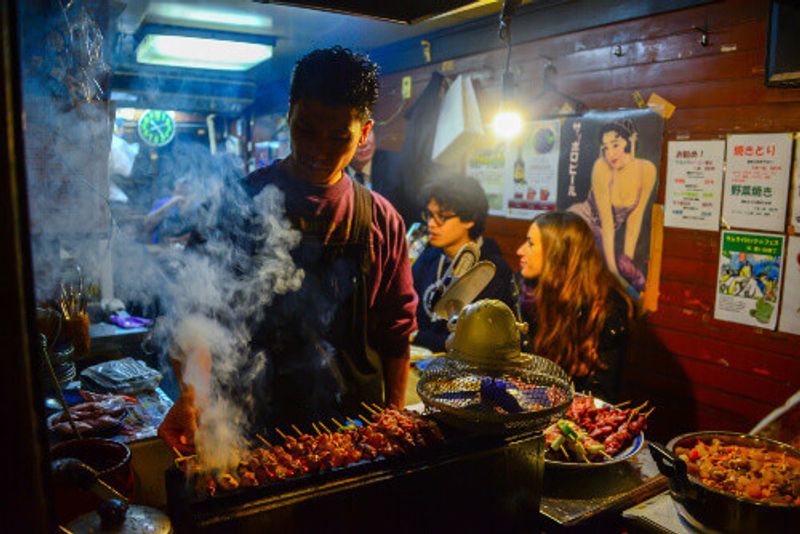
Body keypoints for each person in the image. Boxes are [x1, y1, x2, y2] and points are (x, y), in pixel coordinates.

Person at [159, 46, 418, 452]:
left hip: (354, 435)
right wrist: (192, 397)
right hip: (250, 425)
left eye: (339, 136)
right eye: (306, 129)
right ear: (290, 115)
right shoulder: (236, 204)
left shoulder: (382, 221)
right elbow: (194, 314)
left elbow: (396, 332)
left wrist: (394, 415)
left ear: (364, 133)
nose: (319, 149)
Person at [516, 211, 633, 401]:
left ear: (558, 253)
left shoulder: (606, 308)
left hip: (573, 416)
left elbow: (601, 394)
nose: (520, 250)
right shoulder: (522, 288)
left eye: (530, 243)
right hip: (527, 404)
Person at [412, 174, 515, 353]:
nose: (431, 224)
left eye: (441, 217)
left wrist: (416, 336)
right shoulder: (429, 257)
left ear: (469, 219)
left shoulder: (490, 269)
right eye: (429, 215)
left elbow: (472, 343)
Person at [568, 120, 657, 293]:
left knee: (622, 279)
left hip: (606, 234)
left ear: (630, 141)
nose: (610, 154)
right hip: (583, 222)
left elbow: (635, 219)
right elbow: (607, 224)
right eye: (606, 147)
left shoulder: (647, 170)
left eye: (615, 145)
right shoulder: (602, 167)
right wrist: (615, 273)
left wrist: (627, 263)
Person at [345, 128, 398, 199]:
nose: (364, 143)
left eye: (367, 132)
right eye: (354, 137)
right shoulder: (332, 175)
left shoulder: (397, 165)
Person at [143, 177, 196, 245]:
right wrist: (172, 203)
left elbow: (198, 230)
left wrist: (177, 240)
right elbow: (147, 224)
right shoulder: (163, 202)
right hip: (159, 246)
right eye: (180, 185)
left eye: (185, 185)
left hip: (181, 248)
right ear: (174, 189)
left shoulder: (193, 205)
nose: (183, 188)